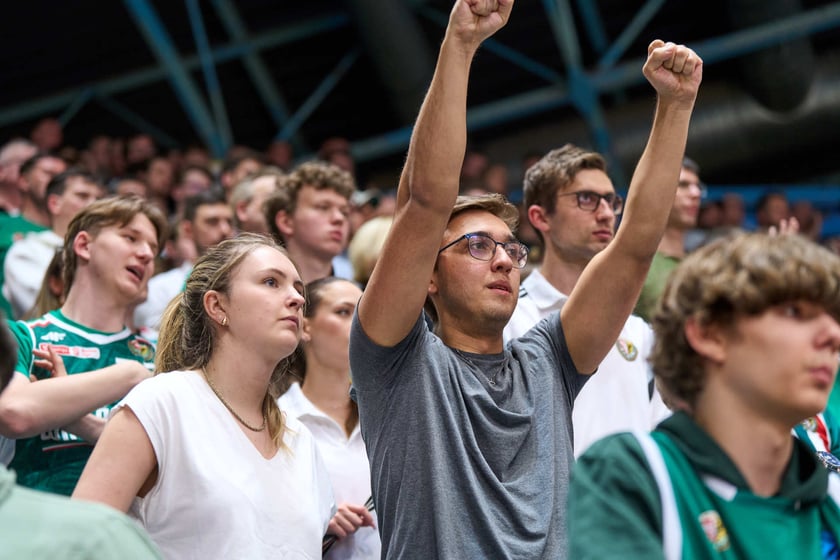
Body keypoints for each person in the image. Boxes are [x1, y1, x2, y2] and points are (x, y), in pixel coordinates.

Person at [348, 0, 703, 557]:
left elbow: (633, 247)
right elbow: (425, 201)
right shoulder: (396, 361)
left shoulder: (547, 362)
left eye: (511, 248)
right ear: (429, 279)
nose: (504, 260)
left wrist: (676, 107)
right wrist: (460, 44)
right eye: (476, 245)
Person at [568, 232, 840, 558]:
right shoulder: (634, 473)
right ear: (709, 334)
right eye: (795, 312)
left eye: (835, 317)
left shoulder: (832, 496)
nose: (833, 335)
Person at [73, 234, 335, 559]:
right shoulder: (162, 403)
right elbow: (78, 541)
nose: (296, 298)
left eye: (298, 288)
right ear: (217, 305)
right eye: (271, 282)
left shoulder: (302, 440)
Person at [504, 144, 670, 456]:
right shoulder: (510, 319)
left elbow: (662, 434)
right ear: (541, 217)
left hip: (633, 502)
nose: (607, 214)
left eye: (611, 201)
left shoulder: (637, 330)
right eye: (587, 199)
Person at [0, 196, 166, 495]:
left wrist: (74, 417)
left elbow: (167, 466)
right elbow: (14, 411)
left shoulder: (161, 356)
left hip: (128, 533)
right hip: (36, 527)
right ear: (84, 245)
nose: (145, 254)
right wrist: (131, 376)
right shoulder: (22, 337)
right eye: (130, 238)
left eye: (153, 249)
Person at [0, 316, 162, 558]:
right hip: (38, 540)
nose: (149, 274)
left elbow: (168, 451)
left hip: (126, 540)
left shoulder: (159, 347)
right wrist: (130, 375)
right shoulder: (27, 335)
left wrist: (66, 413)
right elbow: (14, 411)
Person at [279, 277, 379, 559]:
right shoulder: (278, 421)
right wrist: (317, 524)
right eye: (344, 312)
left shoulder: (387, 419)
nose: (360, 323)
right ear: (305, 326)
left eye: (364, 312)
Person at [4, 170, 103, 318]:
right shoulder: (27, 251)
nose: (93, 204)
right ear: (55, 203)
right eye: (82, 196)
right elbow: (44, 307)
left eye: (99, 199)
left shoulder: (107, 252)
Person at [133, 190, 234, 329]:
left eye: (229, 222)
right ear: (188, 230)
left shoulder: (249, 280)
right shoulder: (159, 290)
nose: (225, 230)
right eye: (212, 222)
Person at [634, 157, 704, 321]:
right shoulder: (637, 265)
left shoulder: (700, 264)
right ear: (655, 192)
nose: (696, 194)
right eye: (683, 185)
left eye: (698, 186)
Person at [264, 160, 355, 282]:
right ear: (286, 222)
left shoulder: (361, 297)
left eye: (344, 212)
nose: (339, 218)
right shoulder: (261, 295)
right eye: (323, 207)